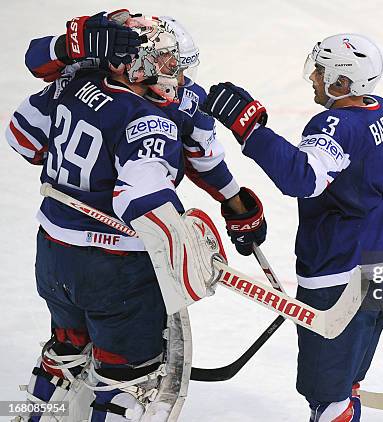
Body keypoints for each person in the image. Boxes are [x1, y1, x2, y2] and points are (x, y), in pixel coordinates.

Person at [6, 18, 231, 421]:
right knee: (125, 376)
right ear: (137, 62)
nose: (175, 76)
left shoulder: (72, 81)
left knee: (66, 346)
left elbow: (21, 137)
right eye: (166, 63)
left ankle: (29, 414)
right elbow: (141, 202)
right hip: (117, 272)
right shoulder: (149, 121)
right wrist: (186, 238)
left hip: (54, 256)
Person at [202, 34, 383, 421]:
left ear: (343, 81)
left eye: (321, 71)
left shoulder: (335, 123)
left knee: (329, 397)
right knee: (346, 380)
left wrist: (251, 131)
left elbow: (303, 178)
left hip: (343, 275)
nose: (314, 79)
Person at [23, 10, 267, 257]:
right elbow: (143, 199)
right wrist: (181, 243)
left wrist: (235, 202)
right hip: (118, 258)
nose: (182, 81)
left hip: (52, 243)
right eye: (173, 66)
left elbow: (22, 137)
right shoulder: (145, 118)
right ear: (145, 62)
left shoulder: (76, 78)